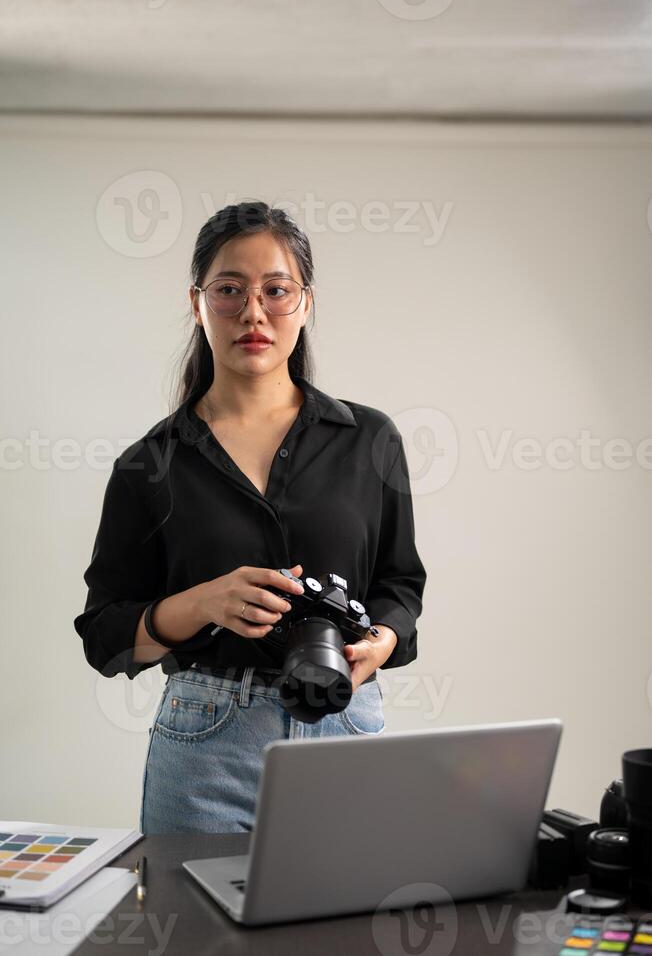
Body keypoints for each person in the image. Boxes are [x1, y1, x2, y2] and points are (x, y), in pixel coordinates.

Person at [74, 200, 427, 834]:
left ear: (306, 303)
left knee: (345, 932)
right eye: (229, 290)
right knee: (196, 934)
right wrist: (204, 602)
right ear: (197, 302)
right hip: (207, 742)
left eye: (276, 290)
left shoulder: (370, 438)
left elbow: (400, 584)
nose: (253, 312)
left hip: (346, 726)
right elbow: (104, 634)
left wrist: (384, 639)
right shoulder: (148, 465)